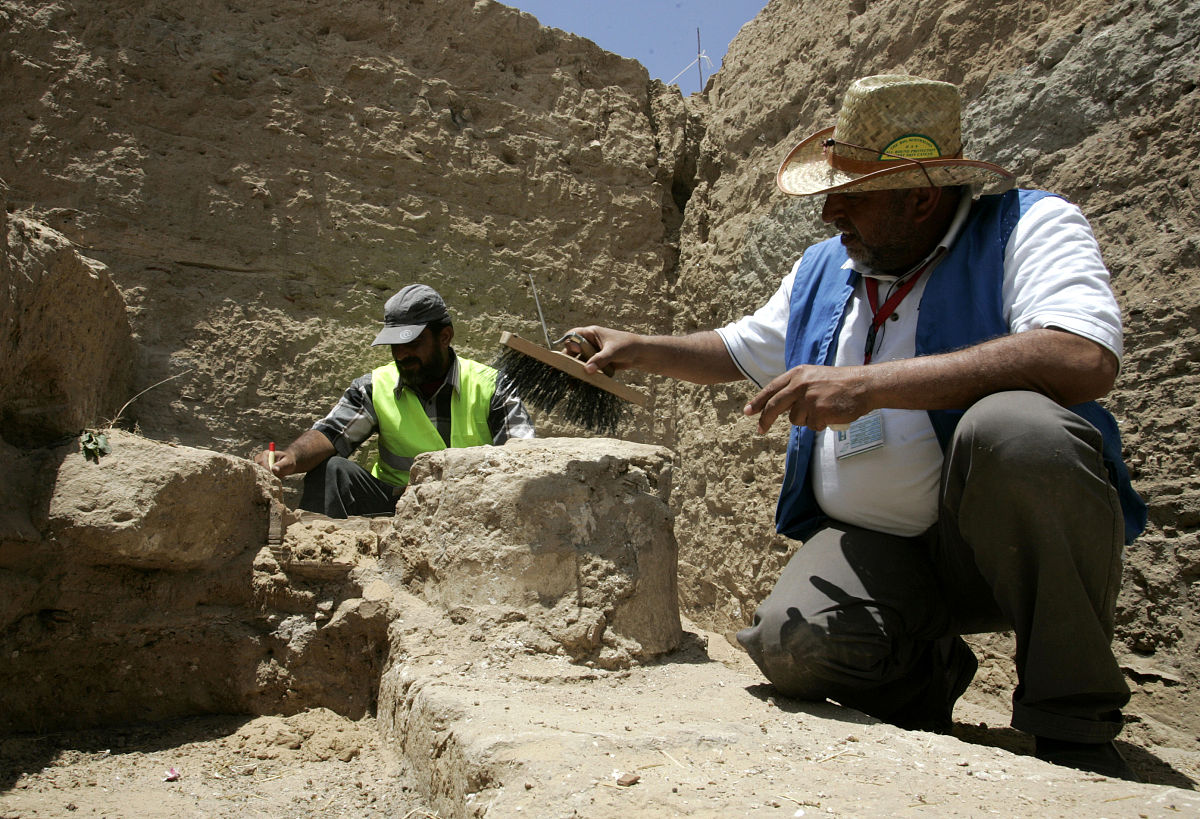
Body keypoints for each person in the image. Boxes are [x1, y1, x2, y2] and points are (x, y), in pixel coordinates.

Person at [566, 75, 1146, 780]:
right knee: (789, 642)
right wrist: (637, 346)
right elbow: (736, 347)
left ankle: (1072, 721)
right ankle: (924, 673)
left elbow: (1081, 356)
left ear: (922, 197)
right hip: (883, 553)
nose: (829, 212)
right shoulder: (829, 267)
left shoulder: (1027, 227)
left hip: (996, 551)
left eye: (853, 195)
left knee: (1019, 430)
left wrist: (870, 387)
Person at [256, 283, 535, 518]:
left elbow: (522, 461)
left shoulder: (492, 386)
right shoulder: (374, 387)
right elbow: (331, 433)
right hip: (395, 509)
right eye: (395, 346)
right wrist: (291, 458)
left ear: (445, 336)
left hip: (471, 511)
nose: (402, 355)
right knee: (332, 470)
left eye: (412, 343)